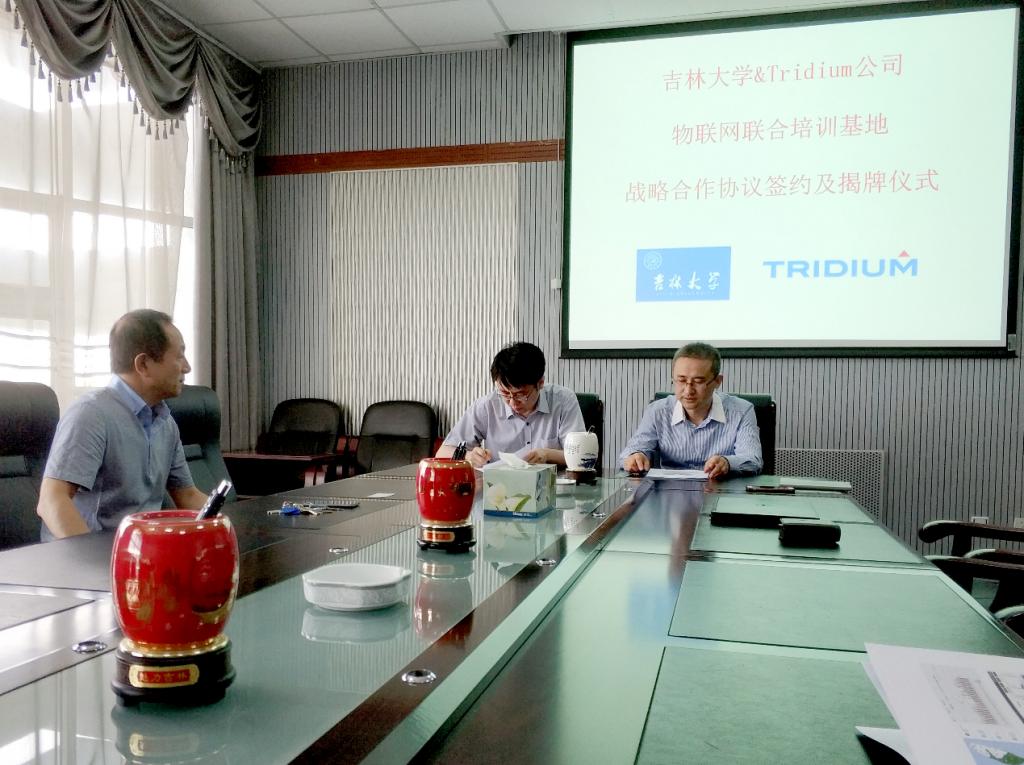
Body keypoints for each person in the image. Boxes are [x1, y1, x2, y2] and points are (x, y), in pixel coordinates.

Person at [36, 309, 209, 540]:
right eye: (179, 356)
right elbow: (52, 500)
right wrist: (90, 559)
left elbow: (187, 495)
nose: (187, 367)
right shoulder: (91, 414)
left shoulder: (165, 422)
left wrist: (231, 526)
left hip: (140, 552)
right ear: (143, 364)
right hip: (86, 555)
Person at [619, 342, 762, 478]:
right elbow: (629, 453)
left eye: (698, 382)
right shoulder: (657, 411)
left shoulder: (742, 411)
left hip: (721, 489)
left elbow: (752, 459)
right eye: (681, 380)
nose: (688, 391)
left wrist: (727, 463)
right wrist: (635, 457)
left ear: (717, 381)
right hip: (670, 490)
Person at [437, 342, 585, 468]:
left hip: (552, 487)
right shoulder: (487, 406)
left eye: (520, 395)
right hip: (499, 488)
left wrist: (547, 454)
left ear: (540, 383)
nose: (513, 403)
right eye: (505, 393)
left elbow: (582, 457)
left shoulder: (563, 401)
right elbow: (442, 453)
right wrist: (469, 456)